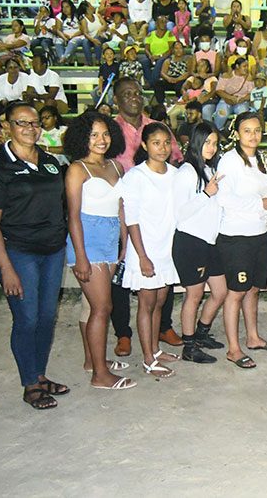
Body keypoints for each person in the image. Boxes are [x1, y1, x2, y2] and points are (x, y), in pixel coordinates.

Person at [0, 102, 69, 409]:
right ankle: (30, 383)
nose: (31, 128)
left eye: (34, 123)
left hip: (53, 251)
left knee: (47, 317)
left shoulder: (48, 161)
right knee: (26, 318)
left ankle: (40, 375)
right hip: (19, 252)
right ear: (7, 126)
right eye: (23, 123)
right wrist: (6, 268)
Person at [111, 77, 184, 355]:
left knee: (159, 293)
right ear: (116, 99)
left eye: (137, 93)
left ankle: (159, 334)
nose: (133, 97)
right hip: (127, 210)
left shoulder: (157, 127)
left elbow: (175, 158)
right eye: (126, 94)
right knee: (127, 283)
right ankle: (124, 334)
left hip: (159, 214)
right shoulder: (112, 129)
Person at [64, 111, 136, 390]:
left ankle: (92, 361)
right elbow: (72, 216)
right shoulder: (77, 169)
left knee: (93, 307)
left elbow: (121, 211)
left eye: (105, 133)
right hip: (87, 243)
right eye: (94, 134)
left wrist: (124, 245)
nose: (101, 140)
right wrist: (80, 257)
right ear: (83, 137)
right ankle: (100, 375)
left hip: (110, 243)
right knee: (102, 307)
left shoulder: (117, 168)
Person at [216, 112, 267, 369]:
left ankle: (253, 337)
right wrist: (261, 203)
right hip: (236, 236)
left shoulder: (260, 160)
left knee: (253, 289)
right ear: (237, 133)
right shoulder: (229, 161)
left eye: (257, 130)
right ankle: (234, 349)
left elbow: (265, 195)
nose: (253, 135)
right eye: (247, 130)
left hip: (258, 233)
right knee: (236, 292)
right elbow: (224, 199)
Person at [121, 122, 181, 377]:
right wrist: (142, 257)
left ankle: (155, 349)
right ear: (144, 145)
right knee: (146, 303)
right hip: (144, 249)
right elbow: (131, 218)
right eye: (156, 143)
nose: (163, 148)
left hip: (166, 248)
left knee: (160, 301)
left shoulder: (176, 174)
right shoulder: (136, 176)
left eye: (166, 142)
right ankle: (147, 358)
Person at [172, 121, 228, 364]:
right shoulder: (186, 171)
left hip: (209, 242)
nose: (211, 147)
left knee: (220, 291)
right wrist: (206, 194)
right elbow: (179, 213)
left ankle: (202, 332)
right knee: (194, 295)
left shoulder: (207, 169)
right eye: (207, 142)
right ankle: (188, 345)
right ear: (196, 142)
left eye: (215, 143)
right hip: (190, 242)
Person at [212, 57, 254, 131]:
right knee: (221, 114)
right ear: (237, 66)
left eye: (247, 66)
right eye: (244, 66)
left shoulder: (249, 77)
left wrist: (243, 99)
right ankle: (218, 132)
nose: (246, 68)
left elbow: (251, 93)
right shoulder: (226, 75)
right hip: (226, 101)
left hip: (242, 102)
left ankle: (241, 133)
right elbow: (219, 90)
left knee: (243, 114)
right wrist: (230, 98)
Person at [154, 41, 191, 105]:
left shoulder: (188, 59)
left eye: (180, 48)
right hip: (170, 80)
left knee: (180, 86)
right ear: (173, 50)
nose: (178, 50)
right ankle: (161, 103)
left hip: (181, 79)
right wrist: (169, 79)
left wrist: (178, 79)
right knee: (158, 83)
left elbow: (189, 72)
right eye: (176, 48)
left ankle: (180, 102)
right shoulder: (168, 60)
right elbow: (162, 73)